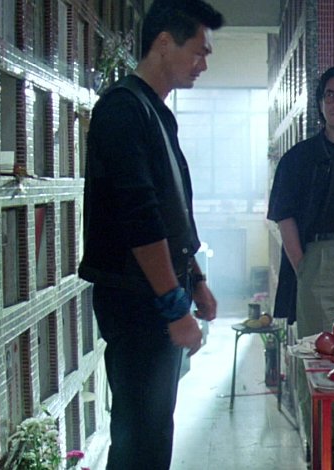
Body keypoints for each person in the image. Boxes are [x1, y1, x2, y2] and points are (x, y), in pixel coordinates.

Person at [78, 1, 222, 468]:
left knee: (154, 427)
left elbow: (170, 212)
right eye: (198, 51)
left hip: (155, 293)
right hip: (136, 299)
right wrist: (173, 305)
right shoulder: (123, 110)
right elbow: (138, 216)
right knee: (140, 432)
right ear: (163, 42)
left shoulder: (155, 112)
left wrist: (194, 279)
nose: (203, 64)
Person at [268, 66, 334, 470]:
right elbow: (284, 216)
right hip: (317, 260)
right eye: (329, 95)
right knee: (317, 359)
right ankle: (321, 454)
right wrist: (303, 266)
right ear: (320, 104)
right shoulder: (297, 159)